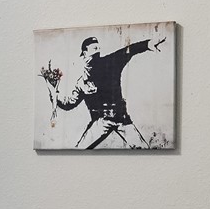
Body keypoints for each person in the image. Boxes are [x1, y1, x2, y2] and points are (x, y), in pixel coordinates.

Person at [39, 33, 169, 149]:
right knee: (80, 149)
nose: (98, 51)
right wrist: (54, 93)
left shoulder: (110, 62)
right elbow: (69, 104)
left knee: (143, 150)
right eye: (94, 48)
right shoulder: (82, 81)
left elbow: (129, 50)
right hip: (100, 122)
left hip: (122, 119)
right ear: (84, 53)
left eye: (99, 48)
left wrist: (147, 44)